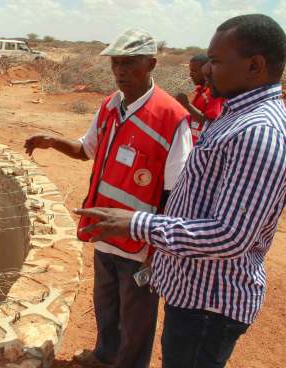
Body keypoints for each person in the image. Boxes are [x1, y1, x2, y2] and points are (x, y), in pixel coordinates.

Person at [74, 14, 286, 368]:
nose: (205, 71)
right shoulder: (236, 117)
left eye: (216, 62)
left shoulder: (258, 132)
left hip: (210, 305)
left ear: (255, 65)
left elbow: (230, 235)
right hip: (194, 290)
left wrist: (139, 225)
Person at [24, 29, 193, 368]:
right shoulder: (110, 106)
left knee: (136, 321)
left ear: (151, 64)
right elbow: (86, 150)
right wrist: (53, 141)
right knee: (106, 307)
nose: (120, 71)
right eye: (116, 63)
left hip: (141, 241)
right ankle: (103, 357)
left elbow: (177, 193)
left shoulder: (172, 118)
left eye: (129, 63)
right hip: (104, 233)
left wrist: (156, 250)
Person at [176, 54, 225, 143]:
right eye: (190, 71)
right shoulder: (200, 90)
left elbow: (211, 123)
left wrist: (186, 105)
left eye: (194, 71)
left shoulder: (213, 93)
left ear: (205, 69)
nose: (190, 74)